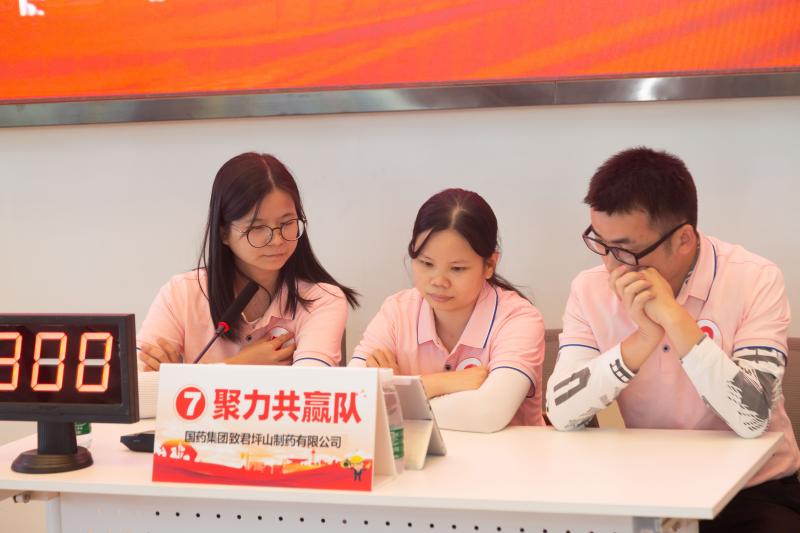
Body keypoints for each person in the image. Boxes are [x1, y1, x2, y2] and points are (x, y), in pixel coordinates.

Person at [546, 147, 800, 532]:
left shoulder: (755, 279)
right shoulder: (589, 289)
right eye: (600, 243)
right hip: (650, 486)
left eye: (625, 250)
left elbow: (752, 418)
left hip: (755, 490)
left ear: (683, 239)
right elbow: (562, 413)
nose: (610, 265)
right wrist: (642, 340)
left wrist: (674, 318)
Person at [138, 152, 358, 370]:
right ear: (224, 233)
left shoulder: (322, 299)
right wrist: (240, 364)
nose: (277, 240)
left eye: (287, 223)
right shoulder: (182, 293)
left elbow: (308, 384)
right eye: (257, 227)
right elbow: (137, 378)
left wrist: (181, 377)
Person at [350, 188, 545, 432]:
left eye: (457, 268)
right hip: (418, 456)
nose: (438, 281)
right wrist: (444, 383)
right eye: (426, 263)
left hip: (509, 455)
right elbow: (350, 395)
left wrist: (392, 393)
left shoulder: (519, 319)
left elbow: (488, 413)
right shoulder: (397, 312)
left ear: (489, 264)